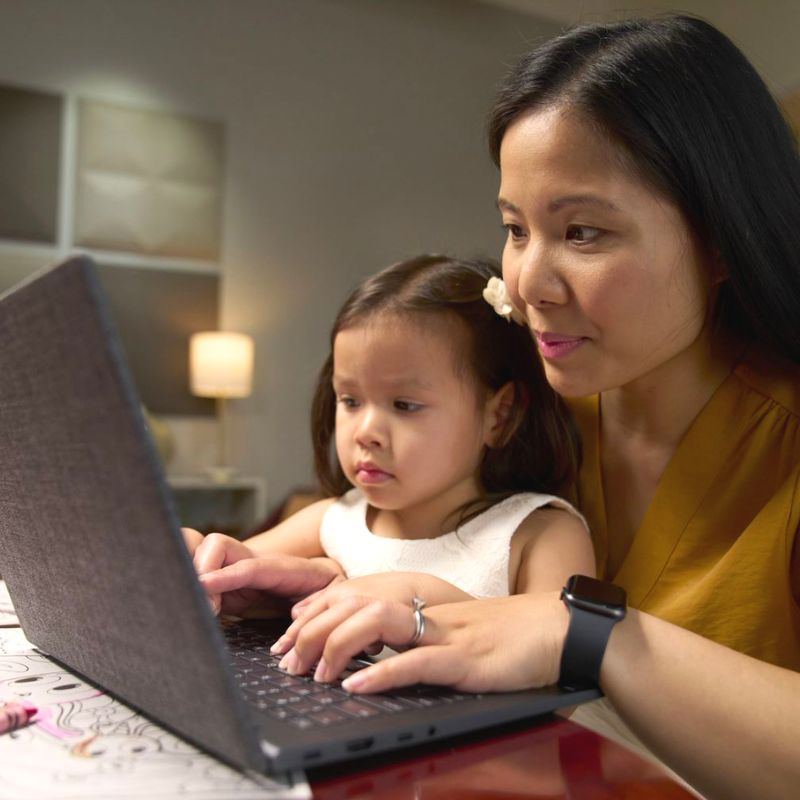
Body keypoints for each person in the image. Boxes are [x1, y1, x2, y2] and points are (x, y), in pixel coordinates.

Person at [228, 15, 799, 800]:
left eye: (583, 232)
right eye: (515, 229)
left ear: (721, 240)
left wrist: (593, 637)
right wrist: (299, 579)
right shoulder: (529, 405)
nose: (528, 283)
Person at [191, 254, 594, 680]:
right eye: (350, 400)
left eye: (404, 405)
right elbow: (236, 573)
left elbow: (567, 663)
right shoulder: (336, 519)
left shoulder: (538, 533)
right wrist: (200, 560)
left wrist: (418, 595)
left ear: (499, 414)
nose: (366, 432)